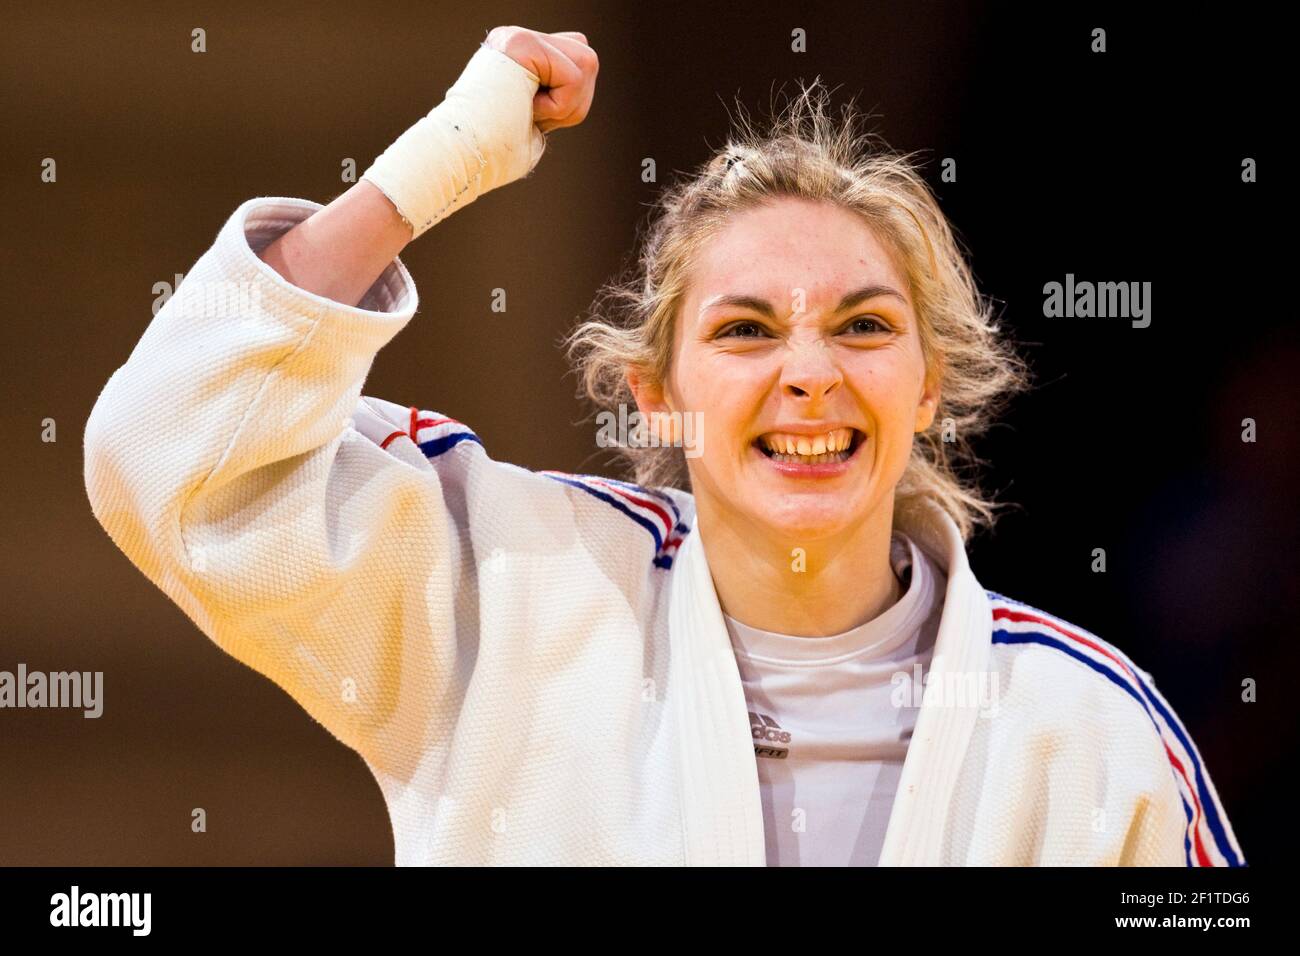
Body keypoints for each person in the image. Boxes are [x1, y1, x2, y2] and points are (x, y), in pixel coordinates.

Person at [83, 25, 1245, 866]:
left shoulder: (1086, 728)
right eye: (744, 328)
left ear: (929, 384)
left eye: (865, 325)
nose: (808, 371)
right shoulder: (508, 592)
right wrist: (434, 164)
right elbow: (172, 450)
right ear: (653, 395)